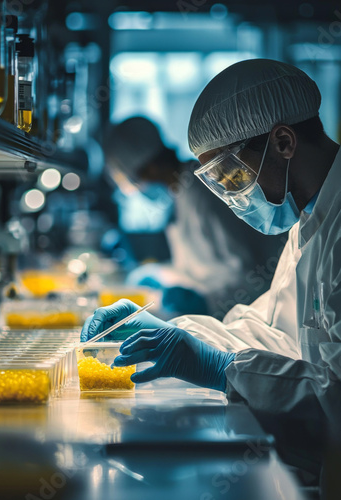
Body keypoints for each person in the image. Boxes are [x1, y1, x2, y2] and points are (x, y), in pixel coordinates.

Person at [82, 59, 341, 480]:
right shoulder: (310, 224)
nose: (230, 196)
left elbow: (335, 403)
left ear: (283, 143)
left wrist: (219, 367)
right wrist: (177, 334)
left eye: (231, 174)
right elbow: (273, 330)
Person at [104, 116, 282, 317]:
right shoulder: (180, 194)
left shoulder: (202, 193)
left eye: (135, 184)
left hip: (247, 316)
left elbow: (247, 278)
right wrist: (162, 273)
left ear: (151, 169)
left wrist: (205, 303)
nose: (139, 192)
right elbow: (199, 269)